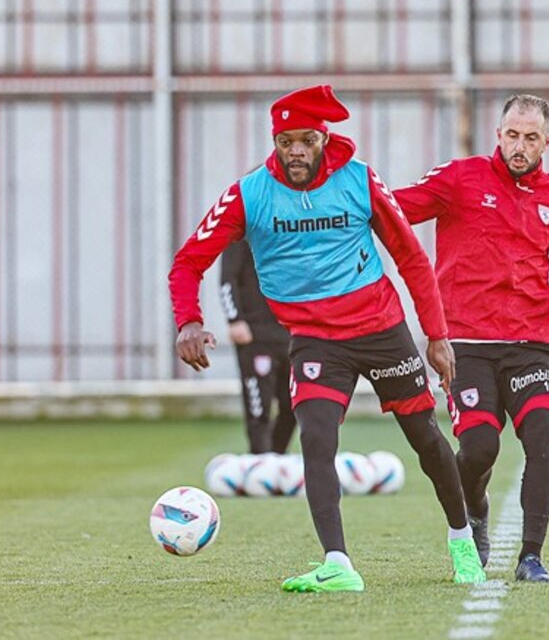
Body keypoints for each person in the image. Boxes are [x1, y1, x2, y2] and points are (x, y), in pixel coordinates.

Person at [169, 85, 485, 592]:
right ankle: (337, 563)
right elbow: (189, 261)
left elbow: (411, 257)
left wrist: (436, 335)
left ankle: (462, 541)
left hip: (381, 329)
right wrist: (188, 320)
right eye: (286, 141)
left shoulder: (359, 181)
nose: (296, 151)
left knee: (426, 438)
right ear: (275, 142)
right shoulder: (249, 194)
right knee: (315, 440)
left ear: (324, 140)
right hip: (315, 340)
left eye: (307, 141)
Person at [393, 94, 549, 583]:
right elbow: (394, 209)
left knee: (542, 435)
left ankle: (531, 557)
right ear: (498, 134)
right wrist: (348, 198)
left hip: (531, 343)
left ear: (546, 142)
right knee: (479, 449)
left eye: (530, 138)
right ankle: (475, 508)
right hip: (466, 344)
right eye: (512, 135)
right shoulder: (460, 178)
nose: (520, 145)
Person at [219, 239, 295, 454]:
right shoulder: (242, 233)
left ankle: (276, 457)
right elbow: (227, 278)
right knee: (258, 408)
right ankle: (260, 459)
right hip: (255, 337)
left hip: (292, 335)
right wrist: (234, 319)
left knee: (294, 406)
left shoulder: (296, 230)